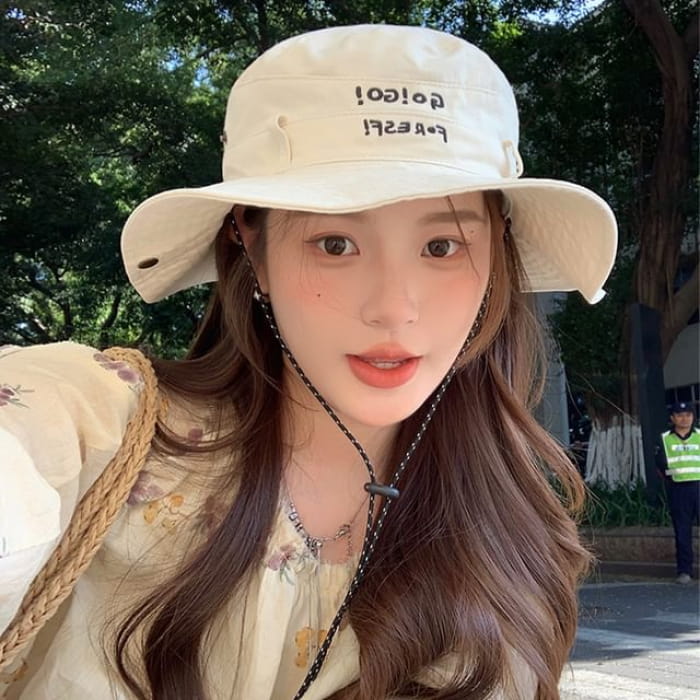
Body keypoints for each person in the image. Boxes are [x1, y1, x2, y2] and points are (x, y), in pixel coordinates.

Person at [0, 24, 617, 700]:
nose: (393, 309)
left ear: (496, 252)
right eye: (335, 244)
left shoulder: (507, 525)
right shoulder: (104, 424)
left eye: (441, 247)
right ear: (251, 246)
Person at [658, 401, 700, 585]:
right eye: (680, 415)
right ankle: (684, 570)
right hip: (678, 489)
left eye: (688, 415)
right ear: (673, 418)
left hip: (699, 486)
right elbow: (660, 464)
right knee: (682, 532)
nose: (685, 419)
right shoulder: (665, 439)